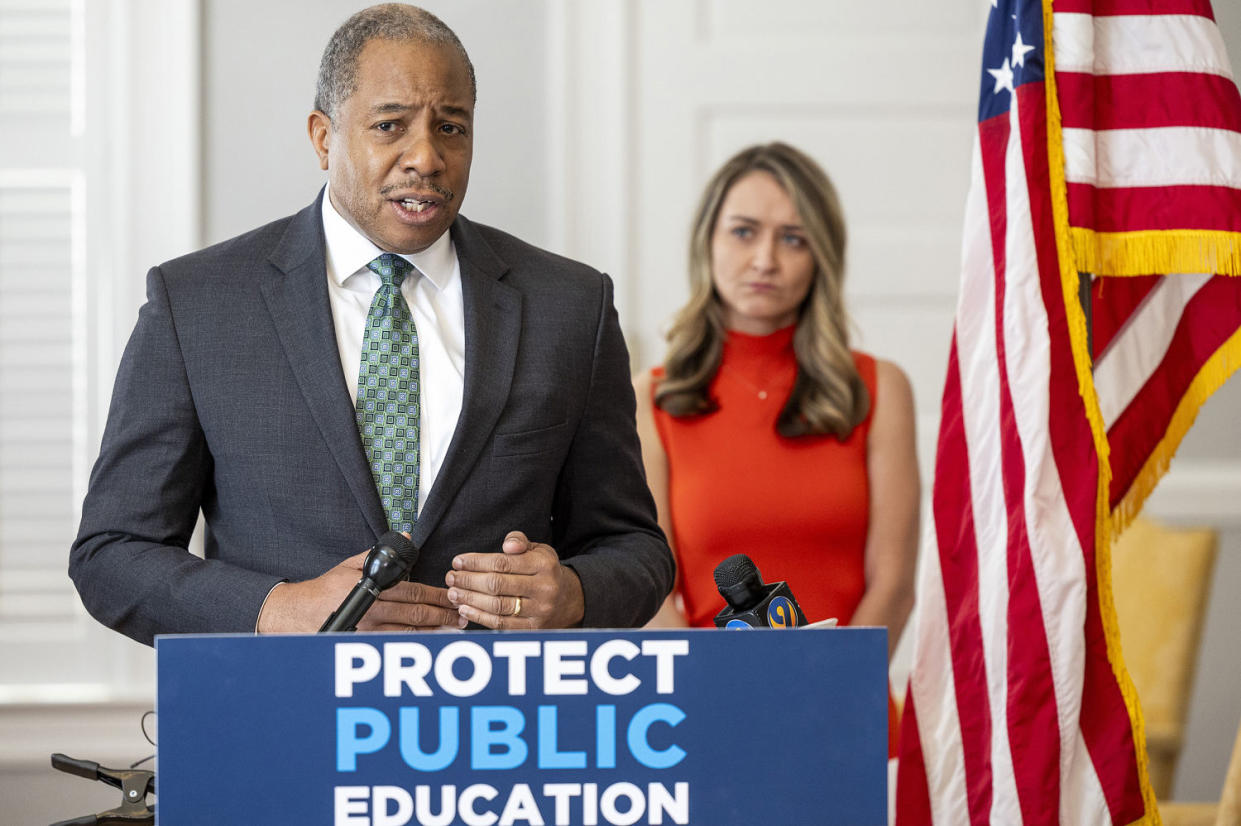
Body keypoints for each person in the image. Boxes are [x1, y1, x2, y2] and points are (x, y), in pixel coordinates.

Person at [69, 3, 673, 645]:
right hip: (281, 722)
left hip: (501, 726)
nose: (427, 157)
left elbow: (635, 549)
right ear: (323, 137)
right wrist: (276, 609)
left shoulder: (569, 305)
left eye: (451, 128)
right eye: (390, 126)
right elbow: (111, 554)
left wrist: (573, 594)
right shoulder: (197, 303)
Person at [634, 142, 919, 749]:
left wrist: (829, 695)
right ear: (707, 242)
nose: (765, 258)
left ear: (822, 256)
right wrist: (717, 699)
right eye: (744, 232)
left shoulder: (879, 390)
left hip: (848, 714)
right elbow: (652, 593)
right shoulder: (649, 401)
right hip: (706, 716)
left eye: (793, 238)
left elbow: (892, 582)